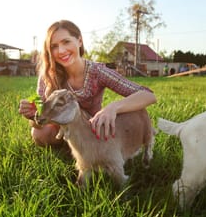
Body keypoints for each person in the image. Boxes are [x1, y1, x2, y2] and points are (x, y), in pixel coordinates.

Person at [18, 20, 156, 147]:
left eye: (66, 42)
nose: (61, 51)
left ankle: (87, 150)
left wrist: (113, 108)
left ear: (79, 41)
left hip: (91, 130)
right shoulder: (48, 74)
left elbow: (148, 95)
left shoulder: (98, 71)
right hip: (62, 128)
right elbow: (38, 123)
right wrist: (32, 115)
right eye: (54, 46)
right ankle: (73, 149)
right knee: (39, 134)